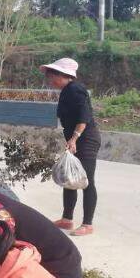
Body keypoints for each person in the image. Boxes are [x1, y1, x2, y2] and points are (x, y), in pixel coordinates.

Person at [42, 58, 101, 237]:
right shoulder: (66, 91)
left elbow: (84, 117)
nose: (50, 80)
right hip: (75, 140)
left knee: (86, 180)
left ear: (64, 75)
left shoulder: (76, 90)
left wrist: (74, 138)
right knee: (70, 178)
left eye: (52, 76)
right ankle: (67, 219)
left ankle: (88, 224)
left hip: (86, 139)